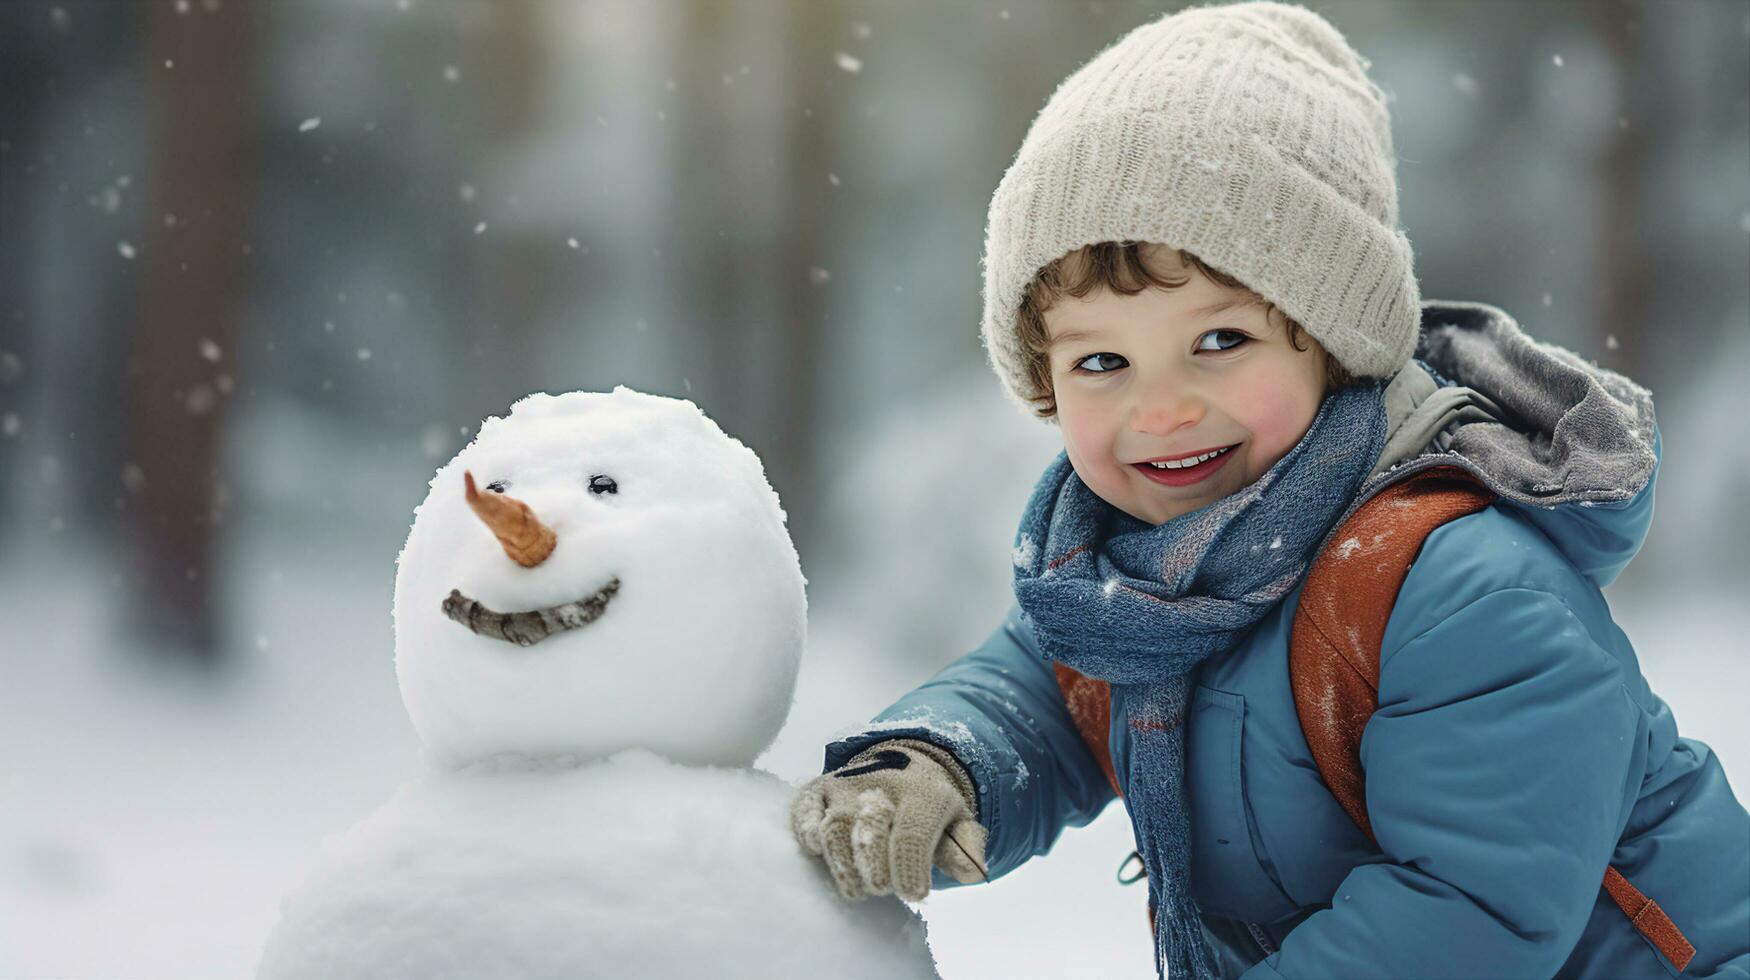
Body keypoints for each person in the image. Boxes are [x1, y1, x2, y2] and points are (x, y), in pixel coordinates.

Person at [787, 2, 1750, 978]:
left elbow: (1470, 909)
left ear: (1331, 341)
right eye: (1103, 360)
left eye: (1219, 341)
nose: (1159, 409)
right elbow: (1035, 689)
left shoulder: (1453, 583)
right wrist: (933, 763)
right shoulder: (1135, 567)